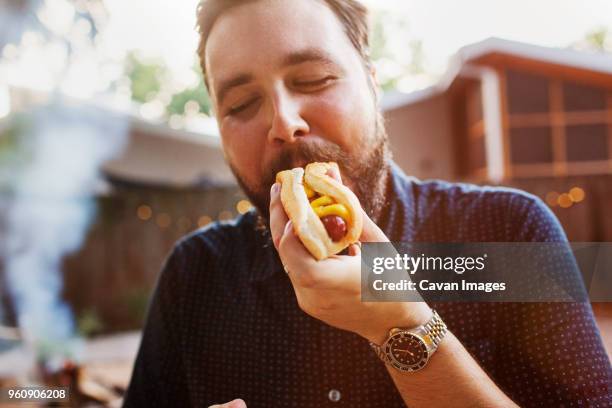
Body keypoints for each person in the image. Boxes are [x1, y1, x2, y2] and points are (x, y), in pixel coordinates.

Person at [124, 0, 612, 407]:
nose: (284, 122)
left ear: (373, 83)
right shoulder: (194, 276)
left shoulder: (507, 234)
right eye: (240, 105)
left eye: (313, 79)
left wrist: (402, 323)